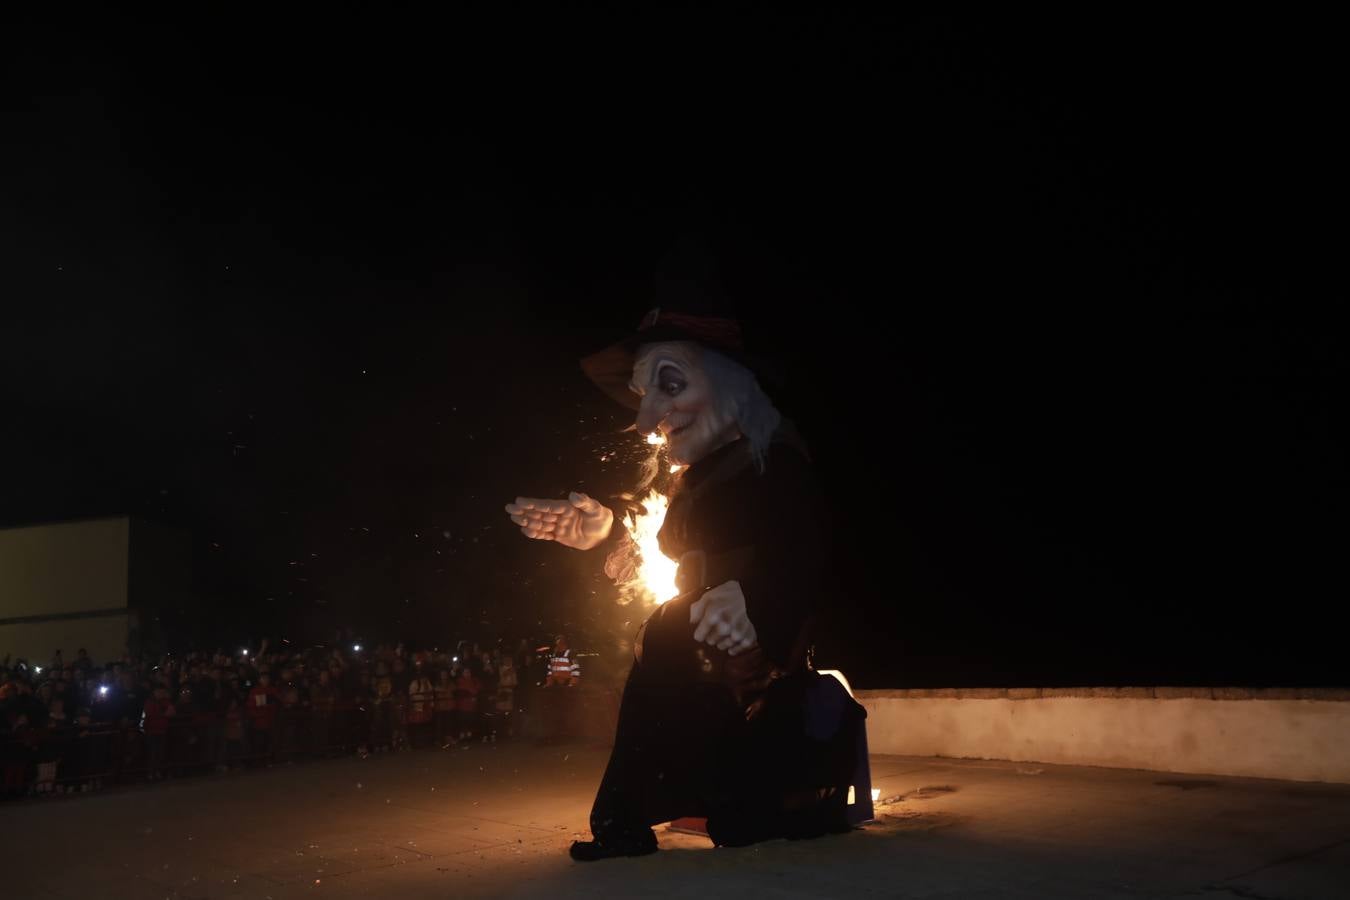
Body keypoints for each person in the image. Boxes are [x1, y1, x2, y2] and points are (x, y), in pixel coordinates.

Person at [506, 299, 864, 860]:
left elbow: (808, 561)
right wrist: (605, 534)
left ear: (728, 383)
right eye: (645, 395)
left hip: (754, 648)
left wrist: (753, 605)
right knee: (656, 686)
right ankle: (624, 823)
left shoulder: (775, 463)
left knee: (741, 777)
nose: (648, 418)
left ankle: (750, 804)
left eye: (669, 387)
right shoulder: (694, 478)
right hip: (687, 636)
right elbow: (671, 552)